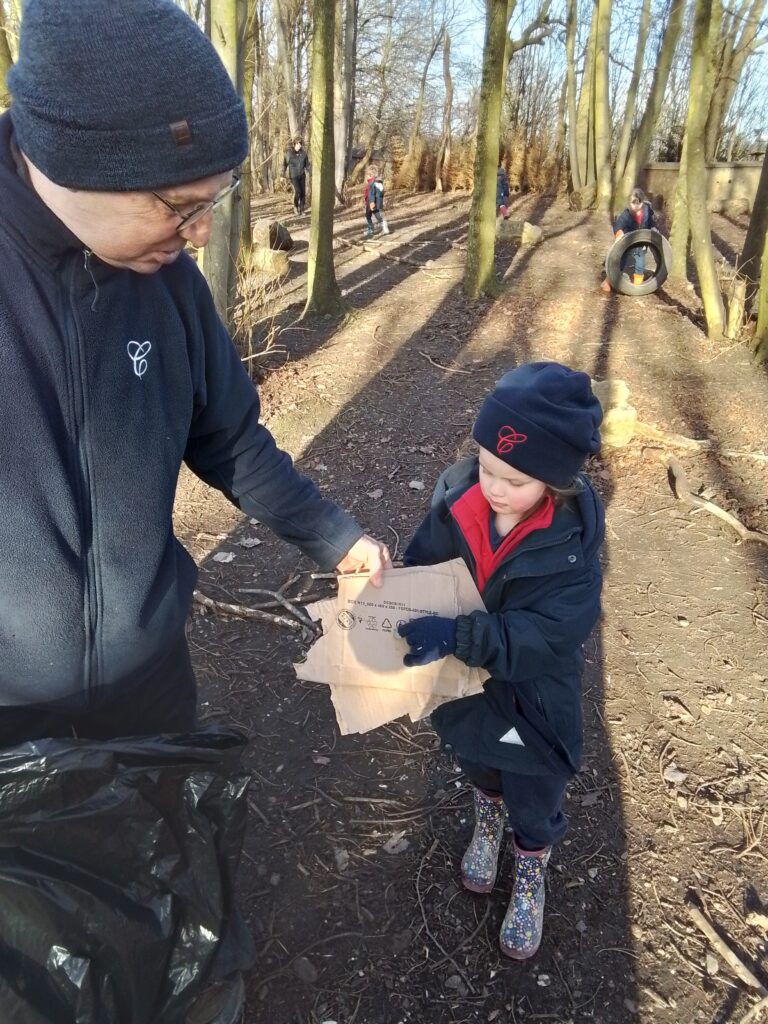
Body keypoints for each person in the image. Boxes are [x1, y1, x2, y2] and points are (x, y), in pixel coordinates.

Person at [0, 2, 389, 1022]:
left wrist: (337, 537)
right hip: (8, 745)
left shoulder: (166, 286)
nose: (202, 233)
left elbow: (228, 437)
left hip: (150, 701)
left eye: (213, 200)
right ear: (72, 160)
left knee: (178, 941)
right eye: (179, 203)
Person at [398, 362, 604, 960]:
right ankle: (487, 814)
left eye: (513, 479)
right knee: (479, 757)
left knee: (534, 789)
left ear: (553, 481)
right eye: (486, 466)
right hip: (469, 686)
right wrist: (397, 591)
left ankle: (532, 859)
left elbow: (543, 637)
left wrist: (460, 634)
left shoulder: (570, 552)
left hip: (533, 698)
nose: (492, 487)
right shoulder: (457, 499)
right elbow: (427, 560)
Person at [601, 186, 656, 292]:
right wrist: (619, 233)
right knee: (620, 262)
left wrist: (653, 231)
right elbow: (618, 225)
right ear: (628, 203)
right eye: (632, 203)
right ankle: (608, 281)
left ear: (642, 202)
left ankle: (637, 286)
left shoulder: (647, 211)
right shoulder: (626, 215)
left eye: (638, 203)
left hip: (641, 243)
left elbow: (651, 222)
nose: (635, 206)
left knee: (640, 265)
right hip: (626, 242)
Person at [282, 136, 311, 215]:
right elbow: (284, 164)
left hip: (302, 175)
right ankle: (295, 206)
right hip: (294, 176)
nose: (299, 146)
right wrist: (282, 175)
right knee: (298, 192)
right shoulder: (289, 153)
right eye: (298, 144)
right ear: (294, 144)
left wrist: (312, 173)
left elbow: (307, 165)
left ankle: (302, 210)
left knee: (303, 193)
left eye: (300, 144)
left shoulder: (303, 154)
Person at [364, 164, 390, 238]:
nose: (366, 177)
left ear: (370, 175)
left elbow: (371, 194)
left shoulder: (371, 183)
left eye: (367, 175)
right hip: (377, 202)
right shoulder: (379, 182)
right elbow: (381, 192)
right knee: (377, 215)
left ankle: (370, 229)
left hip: (370, 202)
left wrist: (371, 202)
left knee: (369, 216)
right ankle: (384, 228)